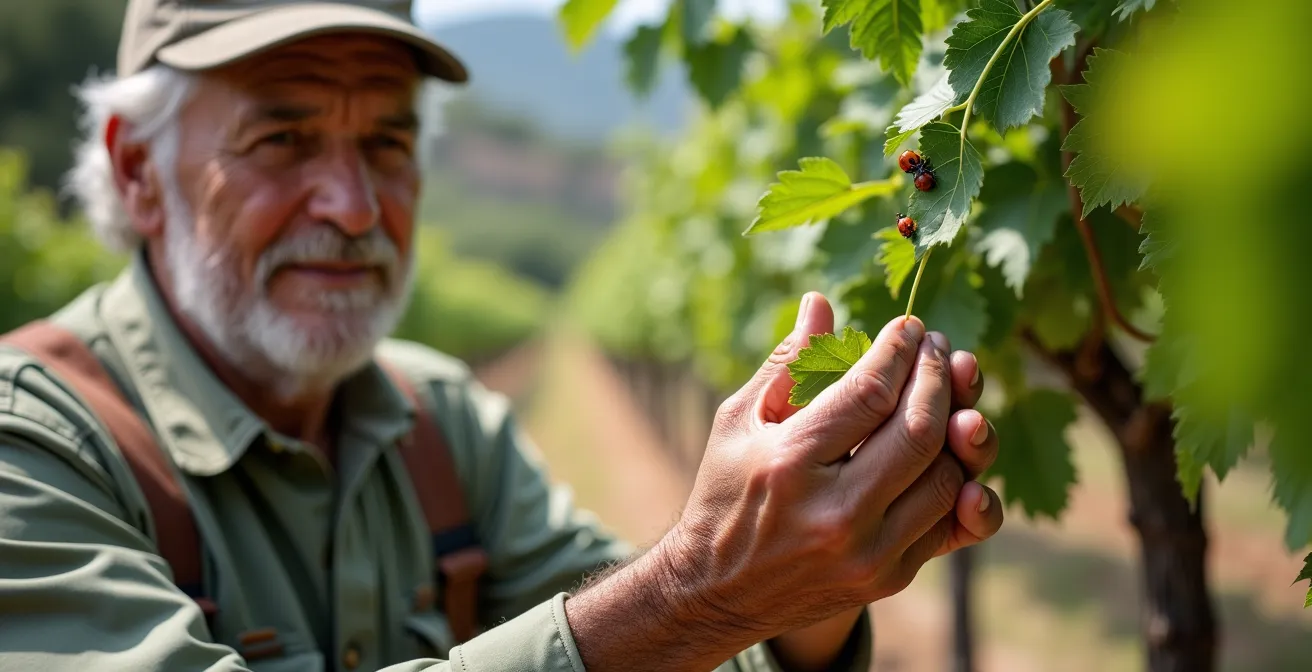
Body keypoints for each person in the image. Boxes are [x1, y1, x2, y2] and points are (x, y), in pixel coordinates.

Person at [0, 1, 1005, 670]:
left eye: (386, 143)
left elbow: (668, 647)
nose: (353, 206)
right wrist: (705, 588)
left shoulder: (438, 420)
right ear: (137, 170)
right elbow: (666, 619)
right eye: (282, 139)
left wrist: (810, 590)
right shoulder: (30, 445)